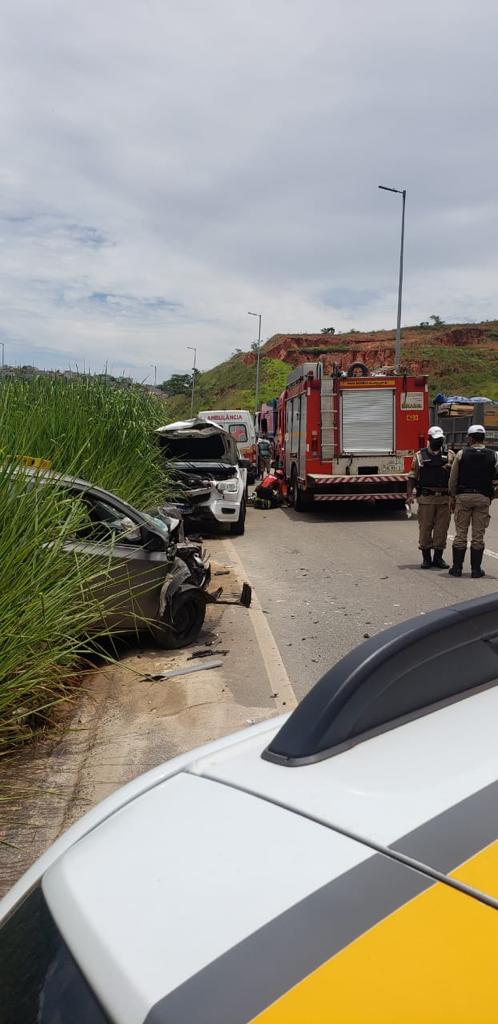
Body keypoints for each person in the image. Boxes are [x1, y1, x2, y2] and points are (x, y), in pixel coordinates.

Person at [448, 425, 498, 578]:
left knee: (461, 533)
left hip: (463, 497)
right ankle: (476, 570)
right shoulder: (494, 455)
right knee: (478, 535)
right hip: (483, 497)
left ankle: (457, 568)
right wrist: (492, 495)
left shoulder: (462, 454)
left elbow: (453, 478)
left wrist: (453, 495)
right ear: (483, 438)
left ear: (470, 438)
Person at [407, 425, 454, 569]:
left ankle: (438, 559)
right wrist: (409, 495)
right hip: (426, 499)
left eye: (441, 439)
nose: (439, 442)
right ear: (429, 439)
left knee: (441, 530)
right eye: (436, 439)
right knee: (425, 529)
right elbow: (412, 476)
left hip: (444, 499)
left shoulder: (450, 455)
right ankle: (426, 559)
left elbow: (456, 475)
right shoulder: (419, 456)